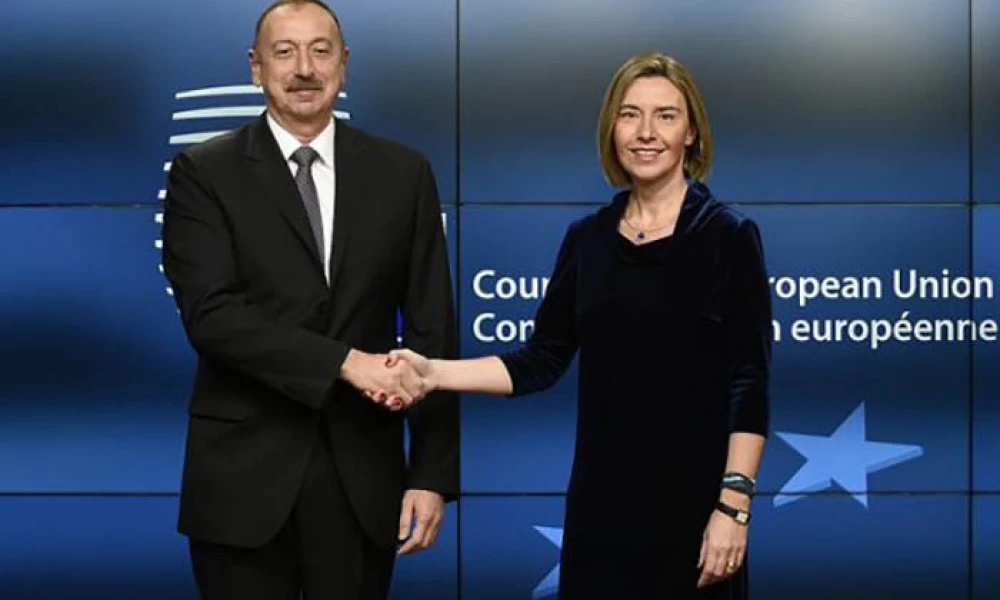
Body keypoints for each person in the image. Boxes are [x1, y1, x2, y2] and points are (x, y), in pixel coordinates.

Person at [383, 52, 771, 598]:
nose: (646, 132)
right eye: (630, 114)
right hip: (601, 506)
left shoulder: (727, 235)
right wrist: (432, 373)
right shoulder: (587, 240)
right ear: (612, 129)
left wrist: (733, 506)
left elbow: (749, 381)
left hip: (697, 507)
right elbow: (540, 361)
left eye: (665, 116)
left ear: (691, 133)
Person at [161, 1, 458, 598]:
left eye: (321, 51)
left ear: (343, 64)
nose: (304, 68)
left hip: (362, 477)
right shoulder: (202, 172)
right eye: (285, 52)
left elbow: (433, 330)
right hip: (242, 480)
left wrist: (430, 474)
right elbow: (212, 317)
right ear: (256, 67)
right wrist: (345, 362)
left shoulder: (404, 174)